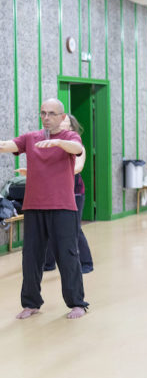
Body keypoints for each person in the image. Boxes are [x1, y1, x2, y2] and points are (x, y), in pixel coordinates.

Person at [0, 98, 89, 319]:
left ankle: (77, 303)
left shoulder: (69, 137)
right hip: (34, 207)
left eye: (51, 113)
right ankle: (31, 303)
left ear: (61, 117)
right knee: (31, 257)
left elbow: (77, 149)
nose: (46, 117)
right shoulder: (31, 138)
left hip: (63, 207)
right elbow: (6, 145)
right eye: (43, 113)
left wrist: (58, 143)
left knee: (67, 256)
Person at [40, 114, 94, 274]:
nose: (61, 124)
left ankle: (86, 263)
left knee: (74, 229)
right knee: (49, 227)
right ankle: (48, 263)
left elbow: (78, 167)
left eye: (65, 122)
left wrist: (57, 172)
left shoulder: (78, 147)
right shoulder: (52, 145)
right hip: (53, 192)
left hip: (74, 192)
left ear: (71, 128)